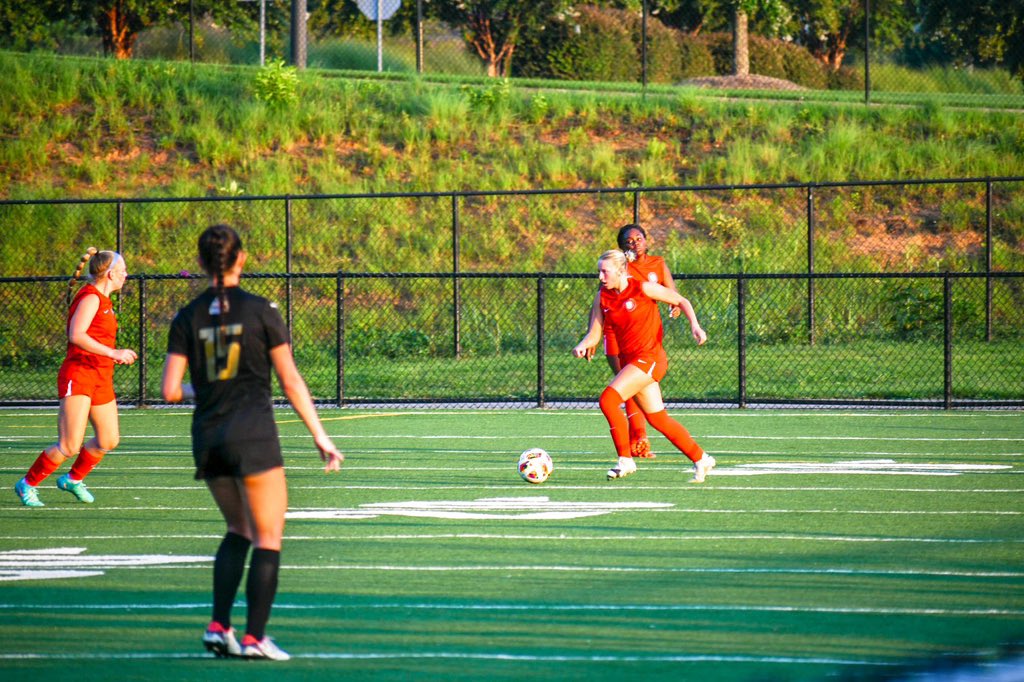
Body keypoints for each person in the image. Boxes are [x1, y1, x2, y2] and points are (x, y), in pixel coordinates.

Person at [161, 224, 343, 661]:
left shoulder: (187, 315)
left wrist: (204, 390)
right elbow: (291, 379)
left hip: (208, 437)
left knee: (236, 530)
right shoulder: (262, 310)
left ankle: (218, 625)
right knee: (267, 536)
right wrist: (319, 434)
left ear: (203, 264)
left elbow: (170, 390)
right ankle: (254, 637)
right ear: (240, 259)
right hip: (253, 434)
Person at [573, 249, 715, 482]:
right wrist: (582, 345)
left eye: (604, 271)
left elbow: (681, 300)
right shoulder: (603, 296)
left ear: (621, 271)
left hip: (650, 358)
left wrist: (695, 326)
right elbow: (594, 334)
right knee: (657, 418)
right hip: (632, 361)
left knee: (608, 399)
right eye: (598, 271)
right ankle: (701, 458)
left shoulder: (642, 288)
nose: (600, 277)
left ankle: (625, 461)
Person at [14, 248, 137, 507]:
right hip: (79, 374)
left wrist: (109, 355)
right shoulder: (91, 297)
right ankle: (28, 483)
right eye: (123, 270)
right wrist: (112, 351)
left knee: (108, 439)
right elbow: (76, 334)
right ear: (111, 273)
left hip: (101, 375)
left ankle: (73, 479)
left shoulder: (104, 300)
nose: (126, 274)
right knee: (69, 445)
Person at [588, 224, 682, 459]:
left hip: (641, 334)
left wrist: (675, 305)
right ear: (621, 247)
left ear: (646, 240)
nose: (635, 243)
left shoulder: (656, 264)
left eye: (638, 238)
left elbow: (673, 294)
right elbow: (601, 304)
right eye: (628, 241)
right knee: (625, 385)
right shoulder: (616, 268)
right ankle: (637, 439)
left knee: (632, 385)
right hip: (614, 332)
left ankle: (638, 439)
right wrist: (591, 337)